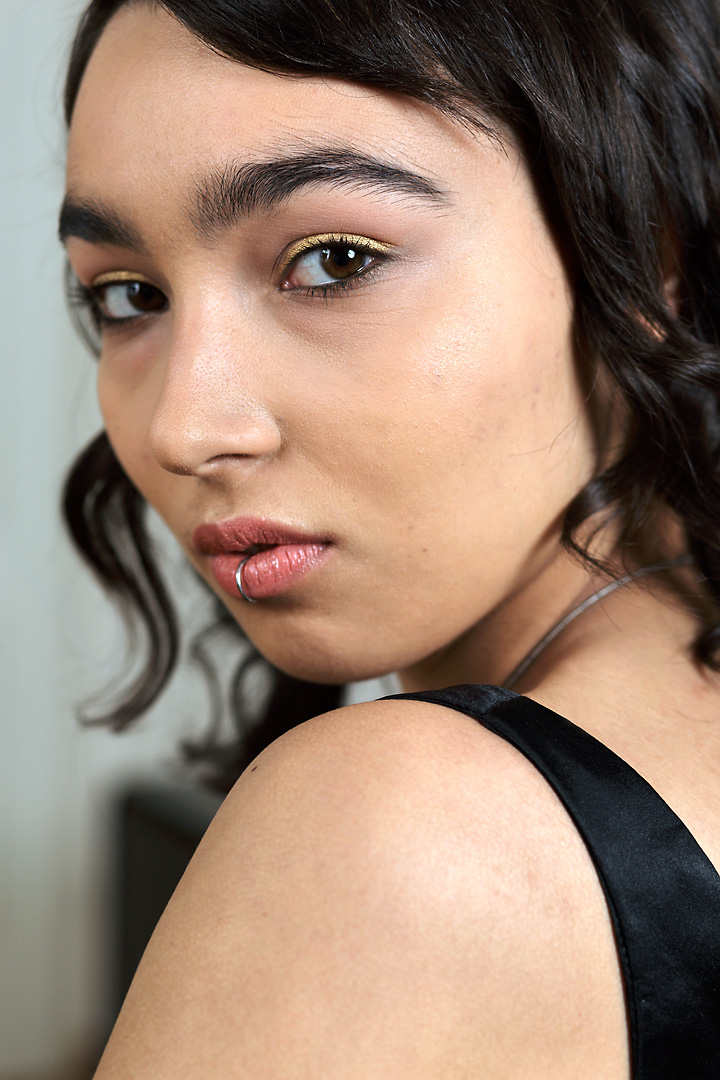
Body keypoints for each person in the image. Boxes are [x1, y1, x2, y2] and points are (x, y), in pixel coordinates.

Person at [59, 0, 720, 1076]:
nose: (185, 429)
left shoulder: (393, 825)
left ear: (648, 259)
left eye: (331, 262)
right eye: (129, 296)